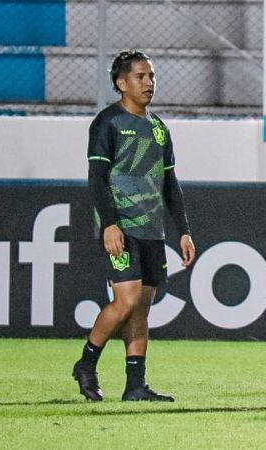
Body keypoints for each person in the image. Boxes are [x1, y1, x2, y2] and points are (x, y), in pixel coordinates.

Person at [72, 50, 196, 402]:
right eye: (141, 76)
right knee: (125, 301)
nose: (149, 83)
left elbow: (171, 184)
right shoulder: (108, 123)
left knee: (141, 304)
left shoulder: (158, 129)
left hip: (151, 229)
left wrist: (183, 230)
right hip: (121, 227)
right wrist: (110, 224)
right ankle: (87, 363)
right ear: (121, 83)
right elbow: (97, 179)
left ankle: (135, 385)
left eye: (152, 76)